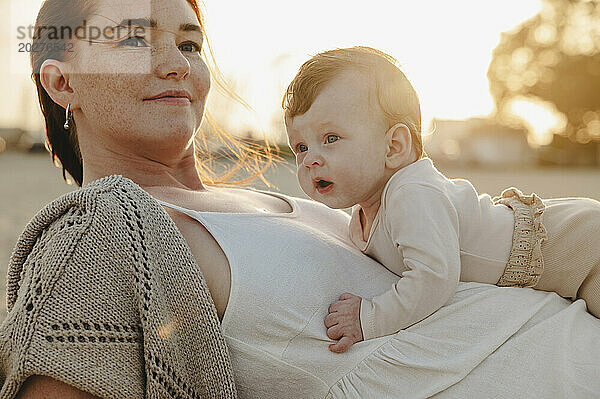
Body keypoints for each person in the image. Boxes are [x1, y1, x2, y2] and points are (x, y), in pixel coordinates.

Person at [2, 1, 600, 398]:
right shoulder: (101, 238)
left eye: (189, 44)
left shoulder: (308, 201)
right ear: (61, 82)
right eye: (134, 39)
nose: (175, 65)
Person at [283, 46, 600, 353]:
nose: (310, 159)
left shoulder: (412, 193)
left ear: (393, 147)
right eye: (301, 147)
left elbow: (434, 278)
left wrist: (369, 318)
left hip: (576, 247)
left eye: (331, 138)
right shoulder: (366, 211)